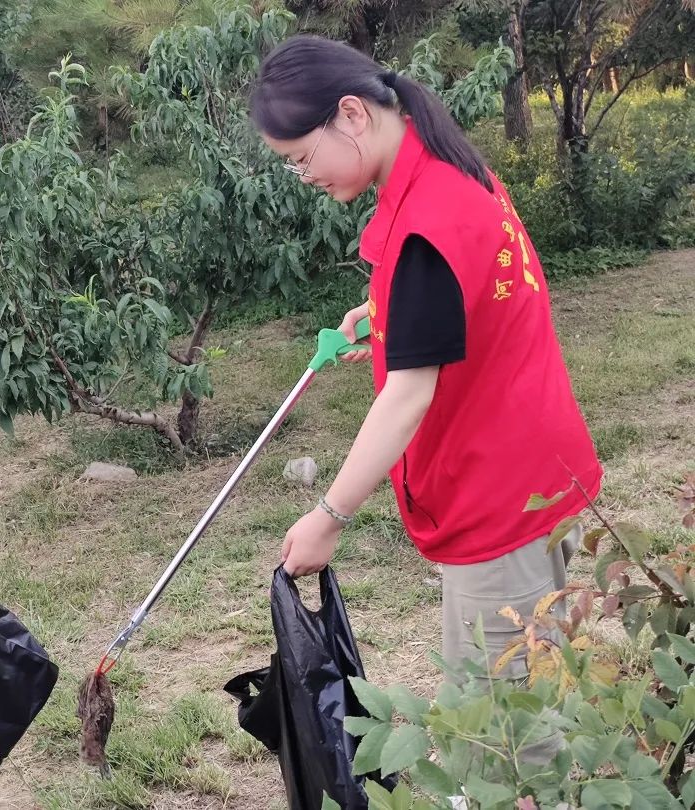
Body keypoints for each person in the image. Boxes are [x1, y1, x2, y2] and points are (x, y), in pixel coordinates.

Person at [251, 36, 603, 678]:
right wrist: (390, 316)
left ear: (352, 116)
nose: (305, 177)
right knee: (537, 701)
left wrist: (329, 516)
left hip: (499, 500)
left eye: (303, 158)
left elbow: (408, 395)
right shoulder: (448, 165)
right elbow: (465, 297)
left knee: (508, 736)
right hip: (537, 468)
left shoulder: (425, 224)